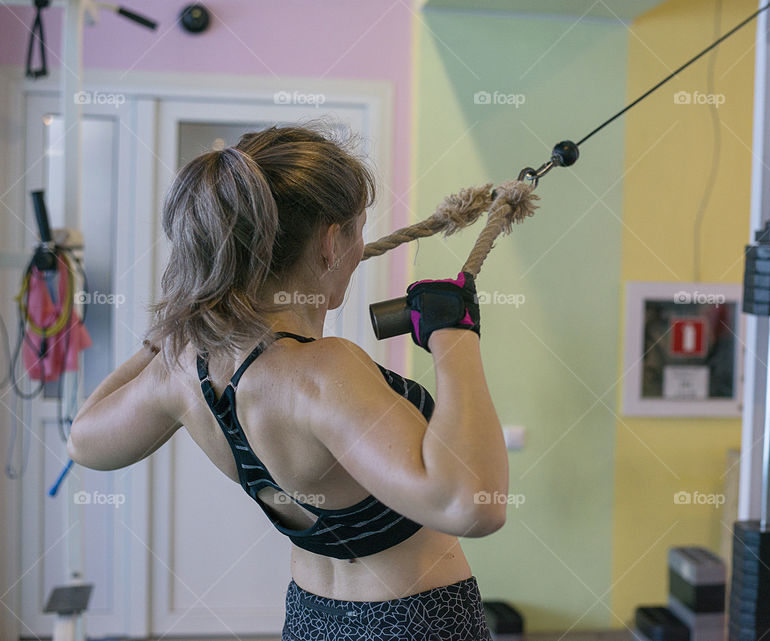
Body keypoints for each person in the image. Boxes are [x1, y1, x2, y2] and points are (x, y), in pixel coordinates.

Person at [66, 124, 509, 640]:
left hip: (310, 619)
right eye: (358, 228)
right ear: (330, 242)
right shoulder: (322, 369)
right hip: (413, 620)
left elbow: (84, 440)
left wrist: (161, 339)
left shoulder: (186, 364)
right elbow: (474, 505)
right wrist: (454, 336)